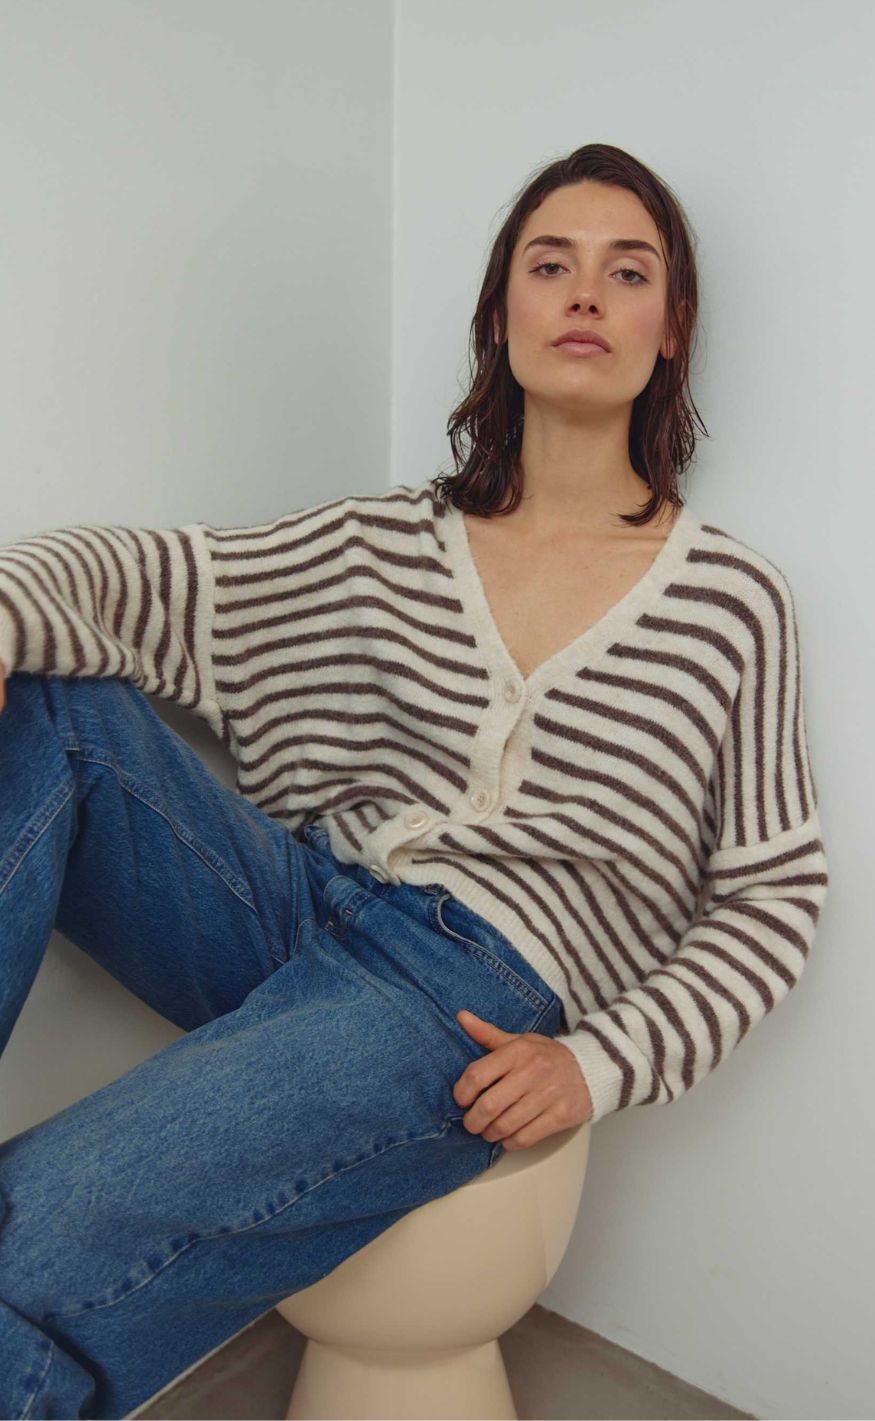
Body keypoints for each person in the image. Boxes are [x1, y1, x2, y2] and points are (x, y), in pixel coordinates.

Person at [0, 142, 829, 1419]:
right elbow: (148, 582)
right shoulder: (382, 541)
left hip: (466, 995)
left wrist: (598, 1062)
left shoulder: (731, 601)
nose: (585, 293)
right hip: (295, 906)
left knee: (38, 1231)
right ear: (500, 313)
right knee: (54, 702)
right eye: (549, 265)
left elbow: (772, 895)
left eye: (627, 271)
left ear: (670, 327)